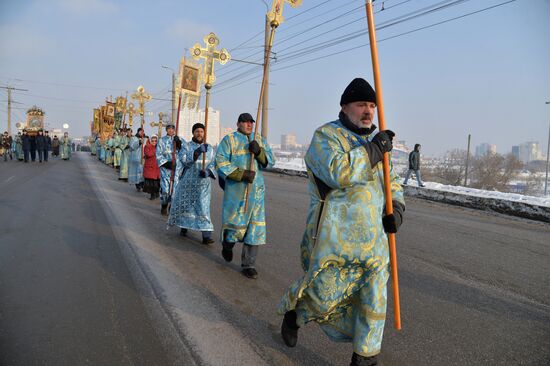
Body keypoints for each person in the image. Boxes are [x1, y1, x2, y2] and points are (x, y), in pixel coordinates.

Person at [277, 78, 405, 366]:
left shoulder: (375, 143)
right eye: (361, 104)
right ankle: (295, 316)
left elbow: (391, 181)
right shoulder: (326, 137)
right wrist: (373, 151)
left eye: (372, 105)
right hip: (333, 241)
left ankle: (365, 358)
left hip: (375, 244)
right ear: (345, 107)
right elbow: (337, 172)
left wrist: (396, 207)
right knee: (322, 295)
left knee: (374, 302)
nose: (368, 111)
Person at [215, 112, 275, 279]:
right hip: (237, 191)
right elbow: (220, 162)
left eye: (251, 122)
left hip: (256, 192)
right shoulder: (229, 140)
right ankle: (227, 245)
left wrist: (260, 151)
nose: (249, 125)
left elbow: (271, 160)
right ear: (238, 123)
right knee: (235, 224)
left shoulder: (259, 139)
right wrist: (240, 174)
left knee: (254, 228)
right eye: (245, 122)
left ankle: (249, 264)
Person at [168, 123, 216, 244]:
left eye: (201, 131)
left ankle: (206, 235)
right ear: (193, 133)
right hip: (188, 182)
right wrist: (196, 152)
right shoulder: (187, 146)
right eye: (197, 131)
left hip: (203, 184)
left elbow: (214, 163)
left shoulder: (210, 148)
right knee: (187, 206)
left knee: (204, 208)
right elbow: (183, 160)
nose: (199, 134)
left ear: (204, 133)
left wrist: (209, 172)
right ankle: (184, 227)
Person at [156, 124, 183, 216]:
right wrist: (166, 163)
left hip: (176, 169)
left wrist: (179, 144)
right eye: (169, 129)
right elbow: (158, 154)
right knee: (165, 190)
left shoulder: (179, 139)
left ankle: (172, 207)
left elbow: (184, 152)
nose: (171, 131)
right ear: (166, 130)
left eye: (172, 129)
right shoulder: (161, 140)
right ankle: (164, 205)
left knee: (175, 190)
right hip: (166, 169)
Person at [143, 135, 160, 200]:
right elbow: (149, 154)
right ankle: (152, 194)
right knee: (151, 183)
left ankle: (157, 193)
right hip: (150, 167)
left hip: (156, 167)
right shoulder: (147, 146)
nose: (154, 142)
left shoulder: (158, 147)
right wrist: (155, 151)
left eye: (155, 141)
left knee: (156, 182)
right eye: (152, 141)